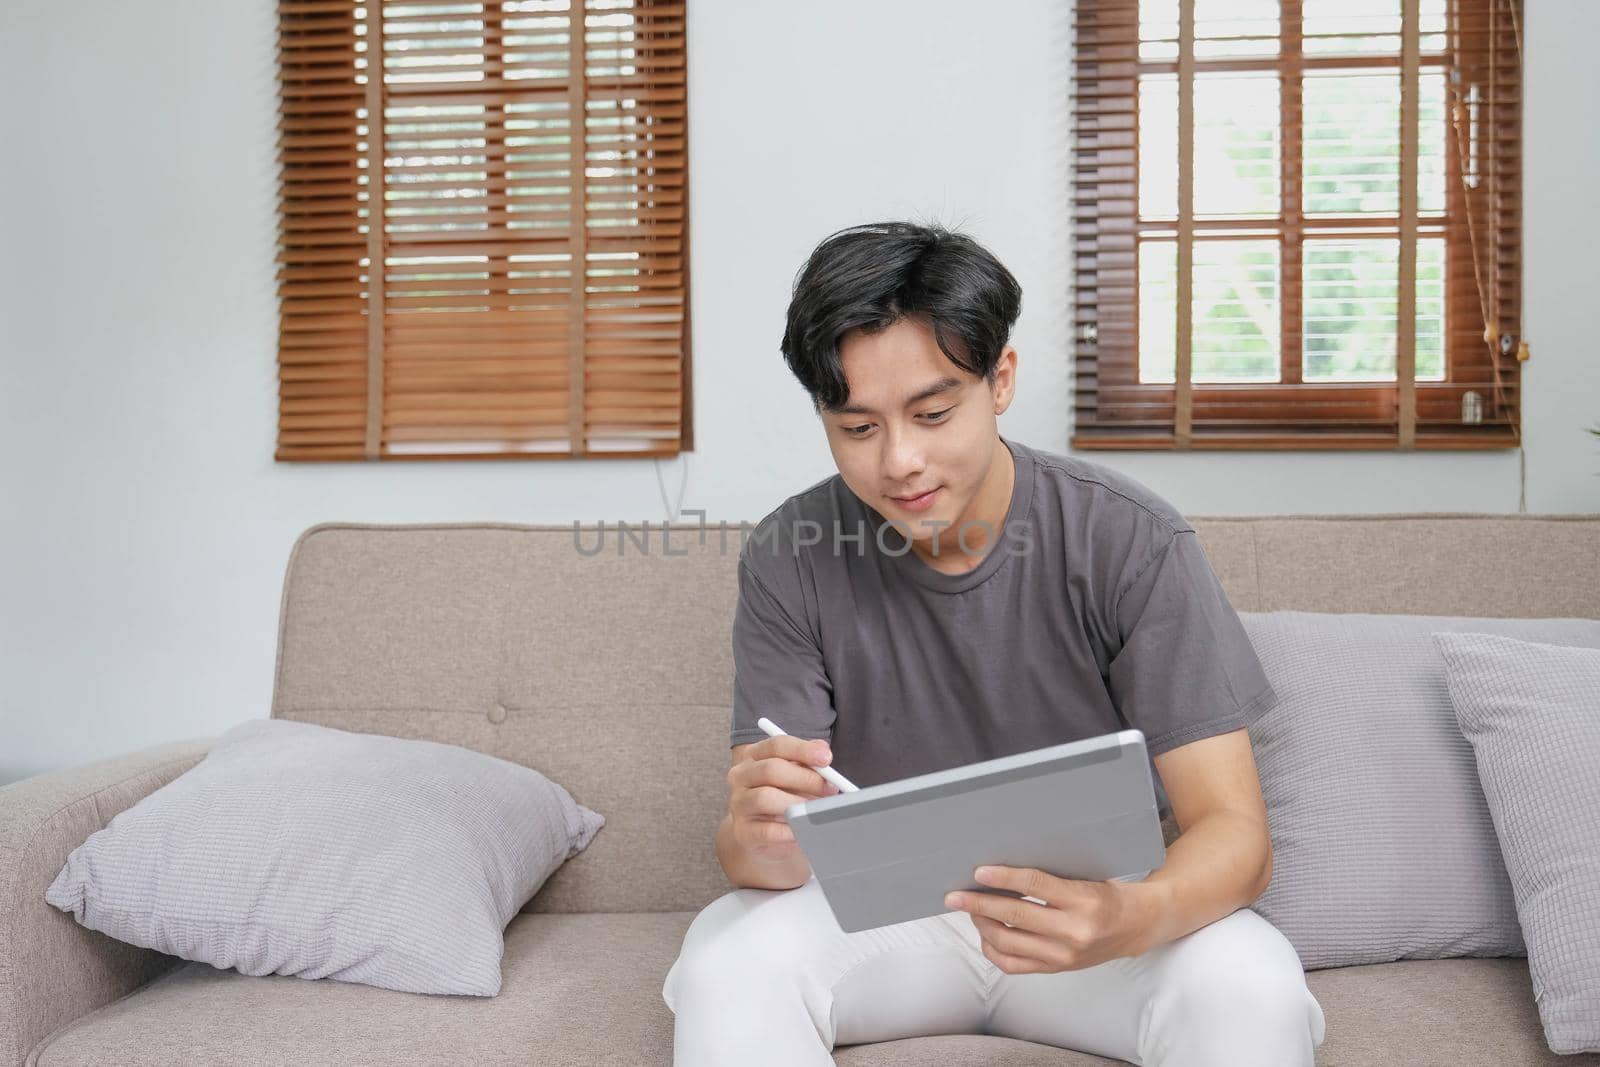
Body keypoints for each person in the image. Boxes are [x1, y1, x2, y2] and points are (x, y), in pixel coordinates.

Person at [661, 221, 1325, 1066]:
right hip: (883, 920)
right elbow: (762, 856)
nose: (901, 461)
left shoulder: (1131, 539)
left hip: (1097, 916)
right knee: (722, 967)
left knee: (1253, 985)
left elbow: (1234, 831)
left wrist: (1130, 917)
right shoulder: (789, 554)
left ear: (1000, 378)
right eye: (858, 429)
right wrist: (755, 836)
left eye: (933, 413)